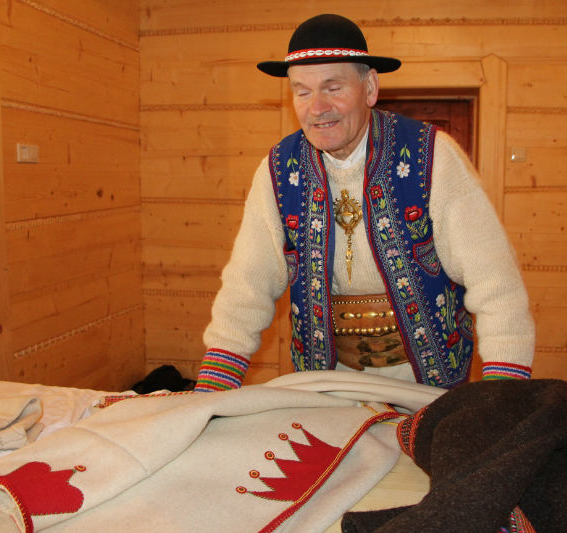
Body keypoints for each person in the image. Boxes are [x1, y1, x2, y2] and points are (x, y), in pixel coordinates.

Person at [194, 14, 534, 392]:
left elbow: (494, 281)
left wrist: (504, 394)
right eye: (302, 92)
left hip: (427, 382)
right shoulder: (278, 170)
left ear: (370, 87)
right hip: (327, 379)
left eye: (332, 87)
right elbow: (246, 286)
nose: (316, 107)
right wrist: (212, 391)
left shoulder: (432, 156)